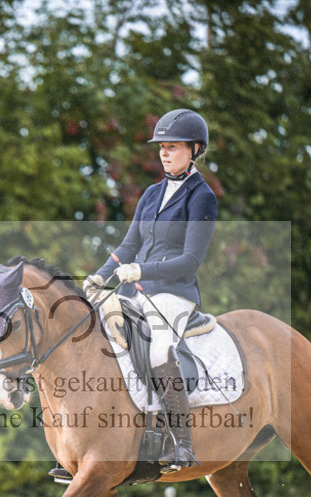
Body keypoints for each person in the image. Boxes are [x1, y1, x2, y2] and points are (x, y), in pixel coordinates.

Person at [84, 108, 218, 473]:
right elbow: (128, 245)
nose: (164, 153)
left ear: (194, 149)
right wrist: (100, 275)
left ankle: (181, 443)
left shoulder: (201, 197)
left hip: (175, 294)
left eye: (172, 147)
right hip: (136, 292)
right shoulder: (151, 193)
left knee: (159, 350)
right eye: (161, 147)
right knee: (98, 342)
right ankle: (89, 446)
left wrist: (142, 269)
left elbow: (191, 260)